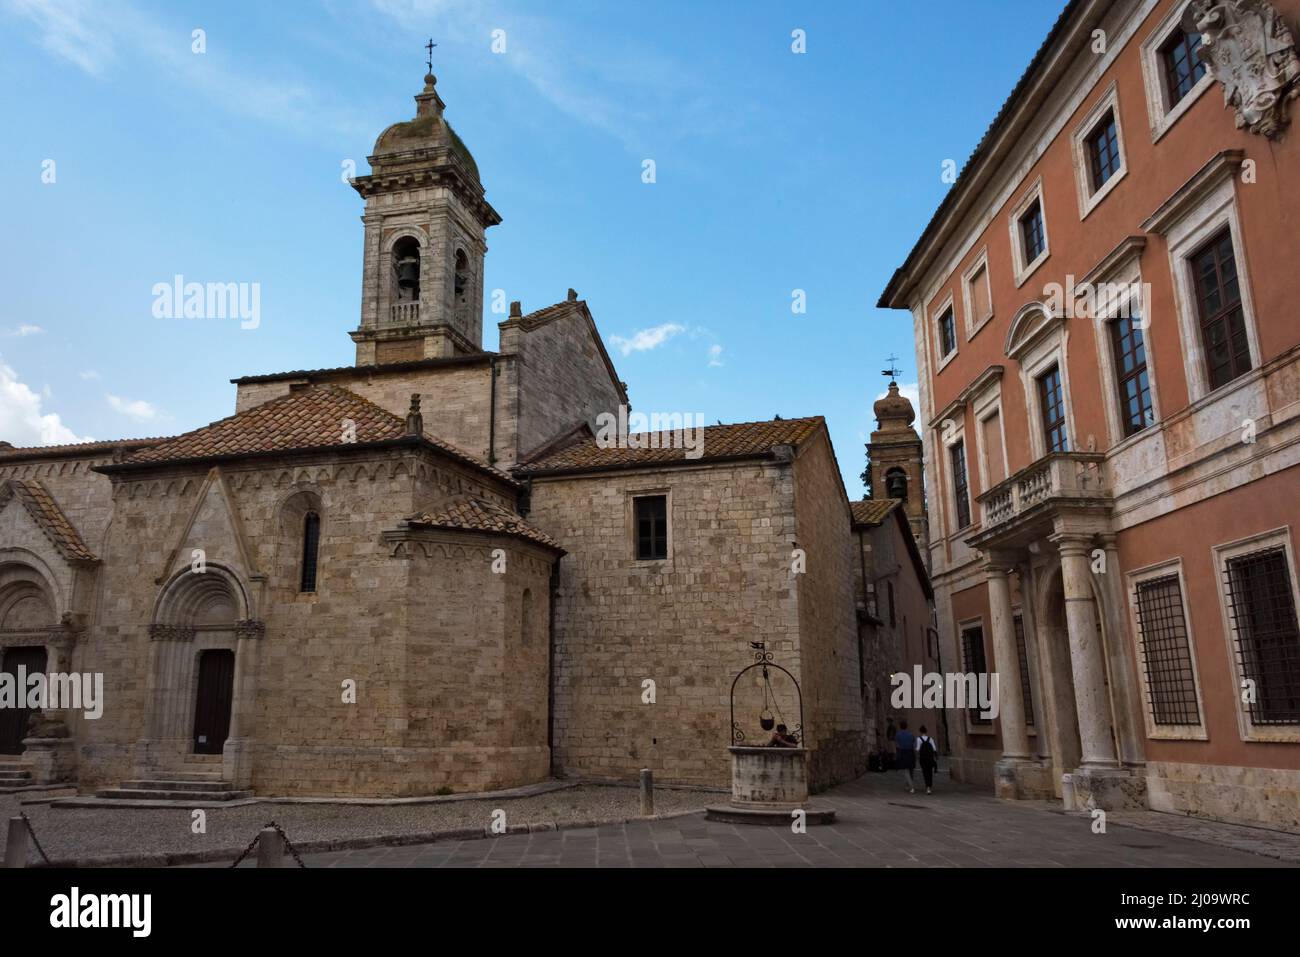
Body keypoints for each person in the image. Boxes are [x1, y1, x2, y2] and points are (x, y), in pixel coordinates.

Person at [894, 720, 916, 793]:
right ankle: (908, 785)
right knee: (911, 770)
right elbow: (913, 744)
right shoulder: (911, 734)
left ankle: (911, 786)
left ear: (900, 727)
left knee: (906, 770)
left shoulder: (898, 735)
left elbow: (897, 745)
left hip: (903, 752)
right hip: (911, 752)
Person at [916, 725, 938, 794]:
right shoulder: (930, 739)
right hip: (930, 758)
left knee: (925, 772)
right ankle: (929, 786)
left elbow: (918, 749)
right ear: (926, 731)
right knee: (929, 772)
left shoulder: (919, 739)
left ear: (920, 731)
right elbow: (934, 749)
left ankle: (927, 786)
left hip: (923, 758)